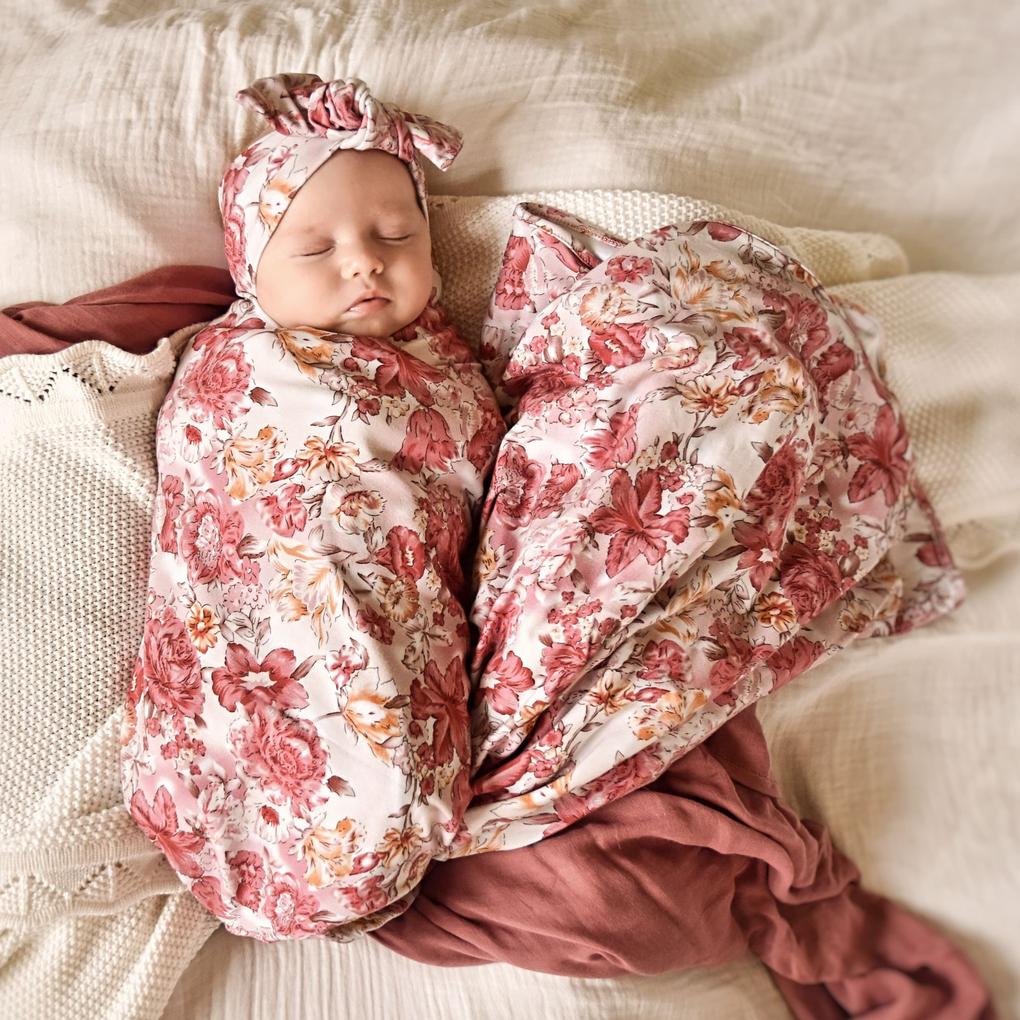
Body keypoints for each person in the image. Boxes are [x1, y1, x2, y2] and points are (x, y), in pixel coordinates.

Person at [119, 73, 506, 941]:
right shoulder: (239, 363)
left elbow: (476, 487)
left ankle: (378, 828)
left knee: (383, 690)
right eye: (313, 248)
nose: (365, 260)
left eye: (396, 235)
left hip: (397, 590)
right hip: (274, 590)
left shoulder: (451, 366)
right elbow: (216, 502)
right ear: (250, 267)